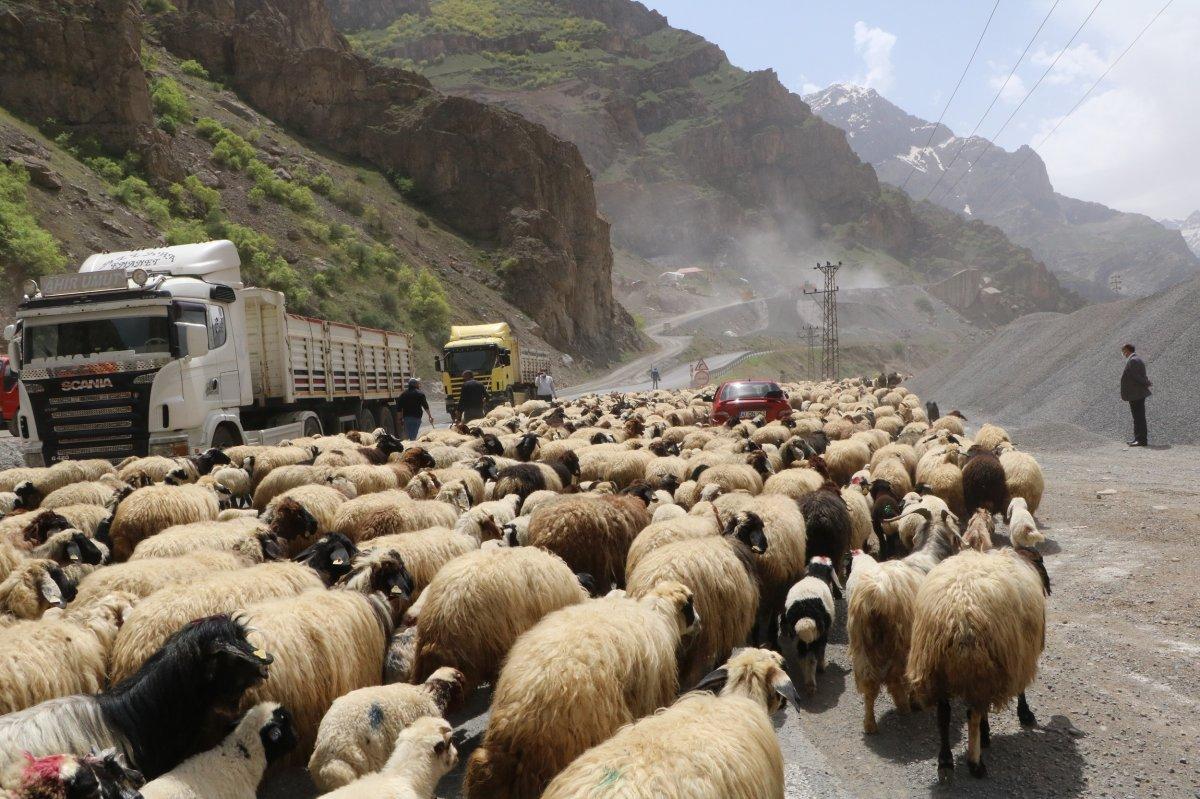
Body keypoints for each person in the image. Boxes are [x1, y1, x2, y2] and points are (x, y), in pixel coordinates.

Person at [1120, 343, 1151, 447]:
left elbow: (1136, 376)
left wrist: (1146, 382)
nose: (1123, 353)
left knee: (1138, 417)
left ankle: (1141, 440)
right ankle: (1138, 438)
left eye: (1123, 351)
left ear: (1128, 350)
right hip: (1136, 393)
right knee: (1138, 417)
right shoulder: (1136, 359)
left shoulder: (1133, 360)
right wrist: (1146, 382)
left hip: (1136, 394)